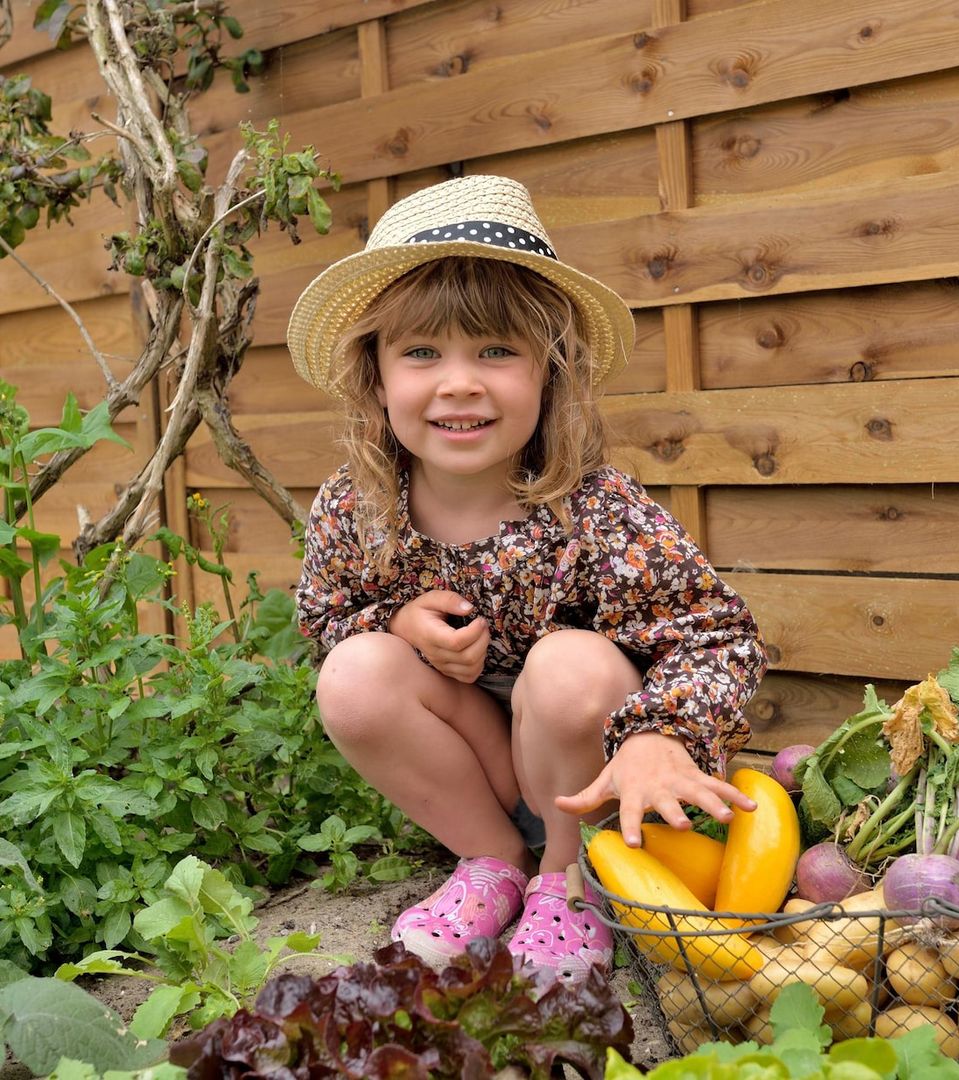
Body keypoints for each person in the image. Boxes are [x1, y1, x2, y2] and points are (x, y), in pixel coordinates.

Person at [286, 174, 766, 984]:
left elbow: (718, 637)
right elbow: (326, 617)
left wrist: (660, 733)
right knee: (353, 676)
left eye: (497, 351)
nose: (460, 382)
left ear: (553, 371)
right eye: (422, 353)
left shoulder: (597, 509)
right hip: (481, 766)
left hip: (596, 777)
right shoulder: (358, 505)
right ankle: (494, 863)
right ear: (376, 374)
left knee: (569, 662)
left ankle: (568, 883)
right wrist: (395, 625)